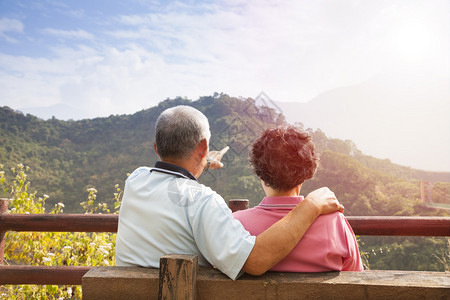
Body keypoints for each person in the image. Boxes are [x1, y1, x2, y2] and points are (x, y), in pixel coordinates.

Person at [115, 105, 344, 280]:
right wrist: (312, 205)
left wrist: (202, 161)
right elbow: (254, 261)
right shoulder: (204, 201)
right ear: (203, 147)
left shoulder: (135, 179)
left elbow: (173, 179)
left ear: (156, 147)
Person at [233, 125, 363, 272]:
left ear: (259, 174)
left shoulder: (235, 224)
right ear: (308, 172)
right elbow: (355, 277)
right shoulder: (335, 223)